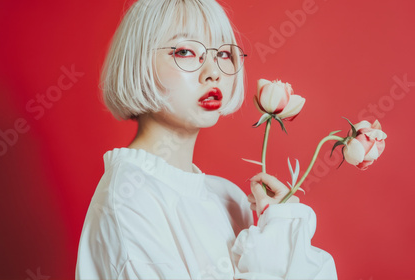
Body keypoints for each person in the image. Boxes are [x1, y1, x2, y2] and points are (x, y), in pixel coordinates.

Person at [76, 0, 337, 279]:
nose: (213, 72)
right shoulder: (128, 199)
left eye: (223, 54)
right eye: (185, 51)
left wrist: (283, 230)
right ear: (138, 62)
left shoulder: (230, 198)